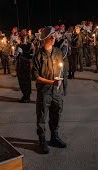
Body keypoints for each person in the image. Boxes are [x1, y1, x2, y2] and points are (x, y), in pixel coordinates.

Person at [32, 26, 67, 154]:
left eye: (54, 35)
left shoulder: (58, 52)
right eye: (50, 36)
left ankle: (54, 137)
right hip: (44, 91)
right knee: (41, 116)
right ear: (44, 39)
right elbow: (35, 76)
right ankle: (42, 140)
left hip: (57, 91)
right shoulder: (38, 55)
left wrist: (63, 86)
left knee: (56, 113)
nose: (53, 38)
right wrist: (51, 82)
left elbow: (63, 70)